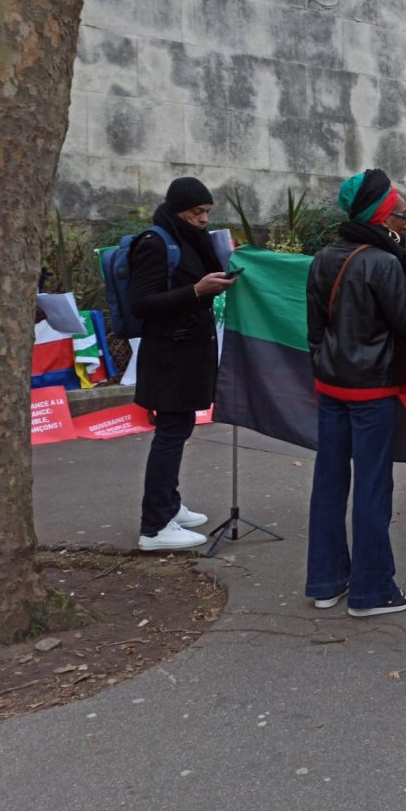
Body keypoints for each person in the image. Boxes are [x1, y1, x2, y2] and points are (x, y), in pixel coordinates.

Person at [304, 170, 406, 617]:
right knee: (373, 489)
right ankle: (372, 591)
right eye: (402, 214)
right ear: (383, 216)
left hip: (331, 386)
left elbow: (314, 330)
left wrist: (324, 361)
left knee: (329, 484)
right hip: (372, 391)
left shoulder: (323, 257)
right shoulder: (384, 262)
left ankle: (325, 583)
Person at [131, 177, 233, 551]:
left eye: (207, 211)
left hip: (189, 350)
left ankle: (168, 505)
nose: (204, 219)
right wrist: (196, 291)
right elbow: (141, 303)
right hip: (169, 354)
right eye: (196, 212)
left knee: (180, 427)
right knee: (171, 432)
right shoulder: (155, 243)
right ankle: (155, 526)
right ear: (178, 211)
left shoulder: (192, 241)